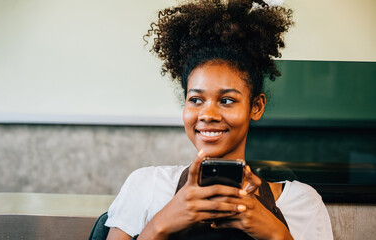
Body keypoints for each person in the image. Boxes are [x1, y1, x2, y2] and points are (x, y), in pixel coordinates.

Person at [105, 0, 333, 239]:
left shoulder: (301, 201)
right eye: (196, 100)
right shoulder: (146, 185)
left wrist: (276, 234)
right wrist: (159, 226)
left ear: (256, 107)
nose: (208, 115)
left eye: (226, 100)